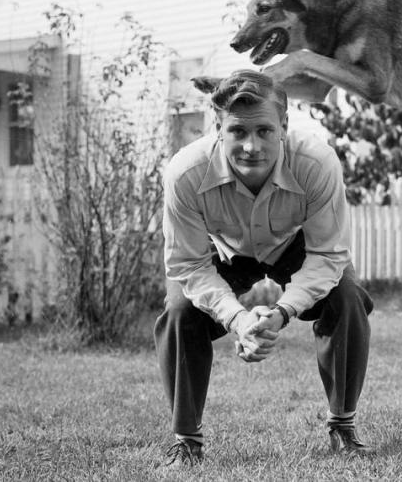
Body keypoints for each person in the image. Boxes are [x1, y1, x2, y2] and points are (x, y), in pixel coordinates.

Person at [155, 69, 374, 467]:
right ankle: (186, 441)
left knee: (346, 295)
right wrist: (237, 319)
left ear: (284, 127)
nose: (251, 146)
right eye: (238, 132)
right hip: (223, 255)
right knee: (179, 310)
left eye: (264, 131)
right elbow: (188, 264)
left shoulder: (317, 163)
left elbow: (328, 255)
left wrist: (282, 311)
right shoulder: (185, 173)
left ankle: (343, 426)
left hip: (294, 247)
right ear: (218, 128)